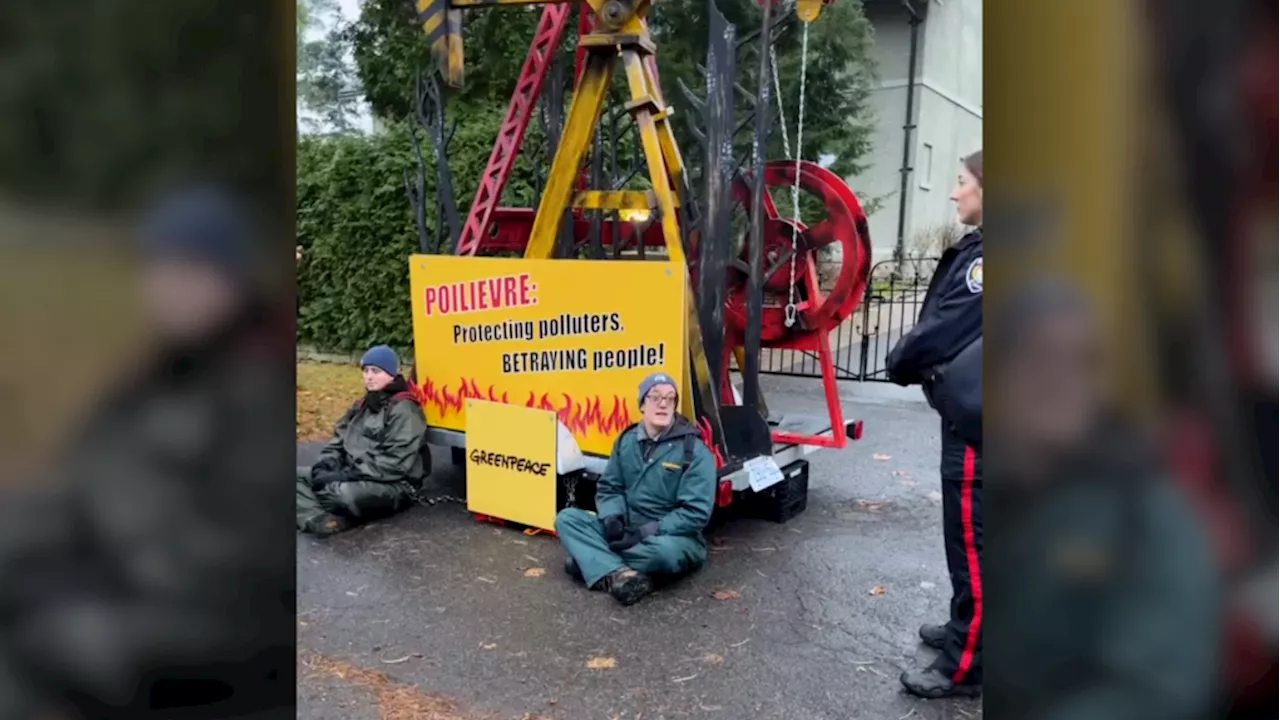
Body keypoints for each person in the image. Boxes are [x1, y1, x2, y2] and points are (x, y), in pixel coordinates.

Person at [0, 185, 295, 717]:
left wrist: (109, 565)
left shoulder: (257, 387)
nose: (166, 287)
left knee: (58, 649)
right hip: (119, 574)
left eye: (188, 271)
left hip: (217, 620)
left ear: (231, 279)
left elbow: (248, 555)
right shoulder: (153, 377)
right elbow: (78, 483)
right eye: (158, 269)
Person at [984, 282, 1222, 720]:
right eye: (1041, 358)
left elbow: (1155, 692)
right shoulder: (995, 490)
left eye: (1081, 363)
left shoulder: (1148, 512)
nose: (1059, 380)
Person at [886, 149, 984, 699]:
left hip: (979, 425)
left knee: (973, 542)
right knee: (971, 539)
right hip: (977, 412)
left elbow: (945, 326)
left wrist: (899, 360)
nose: (953, 192)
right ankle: (964, 626)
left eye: (961, 180)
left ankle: (966, 662)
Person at [554, 372, 717, 606]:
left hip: (669, 536)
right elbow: (610, 486)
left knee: (664, 554)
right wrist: (612, 518)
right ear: (642, 404)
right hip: (626, 529)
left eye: (670, 399)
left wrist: (651, 530)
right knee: (567, 519)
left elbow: (696, 512)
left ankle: (594, 562)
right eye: (655, 397)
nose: (663, 403)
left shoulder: (695, 451)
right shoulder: (626, 440)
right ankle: (620, 575)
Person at [296, 345, 428, 537]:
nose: (369, 376)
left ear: (392, 374)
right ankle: (320, 519)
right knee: (298, 477)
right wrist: (328, 463)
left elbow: (395, 463)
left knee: (343, 494)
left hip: (394, 484)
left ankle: (314, 506)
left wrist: (348, 475)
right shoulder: (362, 405)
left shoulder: (405, 409)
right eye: (365, 371)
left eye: (376, 371)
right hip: (351, 474)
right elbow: (338, 440)